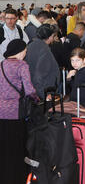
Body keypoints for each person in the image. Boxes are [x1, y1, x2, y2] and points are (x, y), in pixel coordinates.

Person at [0, 39, 39, 184]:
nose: (26, 53)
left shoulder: (2, 64)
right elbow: (29, 90)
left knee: (4, 147)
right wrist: (37, 99)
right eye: (25, 50)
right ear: (20, 51)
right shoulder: (22, 65)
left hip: (0, 112)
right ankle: (17, 178)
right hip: (15, 112)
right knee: (17, 147)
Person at [25, 24, 60, 99]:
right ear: (50, 36)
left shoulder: (31, 44)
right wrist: (44, 95)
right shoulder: (44, 50)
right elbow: (39, 75)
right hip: (43, 91)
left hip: (33, 88)